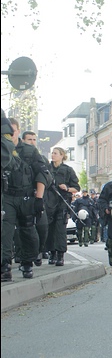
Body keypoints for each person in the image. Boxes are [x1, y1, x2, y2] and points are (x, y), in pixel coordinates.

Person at [1, 116, 50, 281]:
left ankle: (28, 262)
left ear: (17, 131)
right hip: (7, 196)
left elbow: (42, 173)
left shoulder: (29, 151)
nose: (9, 135)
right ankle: (5, 266)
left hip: (27, 197)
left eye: (12, 131)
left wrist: (39, 198)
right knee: (5, 231)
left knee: (28, 230)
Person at [44, 147, 80, 266]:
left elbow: (76, 188)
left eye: (55, 153)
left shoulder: (68, 170)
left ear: (62, 155)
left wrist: (67, 188)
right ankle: (51, 253)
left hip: (62, 202)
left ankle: (60, 255)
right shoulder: (47, 168)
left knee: (60, 229)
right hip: (48, 202)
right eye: (52, 153)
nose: (53, 155)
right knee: (49, 228)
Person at [20, 131, 49, 263]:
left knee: (42, 226)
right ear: (23, 140)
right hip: (20, 197)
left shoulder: (40, 158)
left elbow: (45, 176)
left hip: (35, 196)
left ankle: (39, 250)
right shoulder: (16, 155)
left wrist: (39, 197)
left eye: (34, 139)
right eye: (29, 139)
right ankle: (27, 256)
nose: (32, 142)